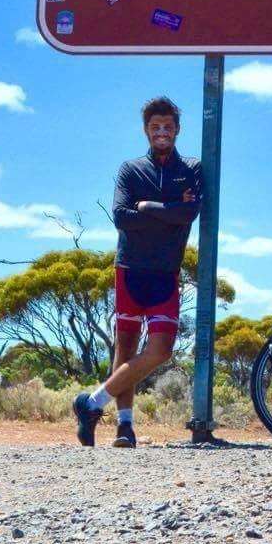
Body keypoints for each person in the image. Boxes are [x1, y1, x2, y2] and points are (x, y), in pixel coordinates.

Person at [73, 97, 201, 447]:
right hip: (130, 267)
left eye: (168, 127)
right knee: (125, 348)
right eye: (156, 127)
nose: (162, 132)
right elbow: (121, 217)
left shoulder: (190, 168)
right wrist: (168, 209)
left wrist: (145, 206)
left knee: (160, 349)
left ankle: (91, 402)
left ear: (177, 130)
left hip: (166, 272)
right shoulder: (131, 169)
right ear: (146, 130)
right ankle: (124, 427)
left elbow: (189, 215)